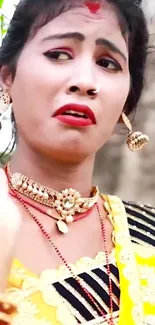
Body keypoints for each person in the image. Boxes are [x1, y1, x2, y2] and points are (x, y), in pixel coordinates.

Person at [0, 0, 154, 324]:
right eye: (58, 54)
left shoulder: (148, 233)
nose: (85, 81)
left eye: (108, 63)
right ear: (7, 79)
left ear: (126, 103)